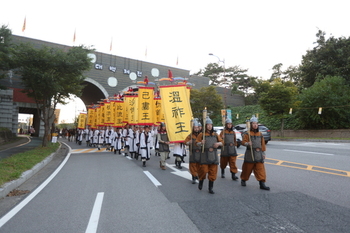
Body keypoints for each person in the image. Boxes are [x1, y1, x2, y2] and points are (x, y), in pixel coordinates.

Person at [240, 115, 270, 191]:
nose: (255, 125)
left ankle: (262, 183)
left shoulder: (260, 134)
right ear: (251, 124)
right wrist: (247, 143)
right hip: (250, 153)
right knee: (247, 169)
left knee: (260, 169)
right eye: (253, 123)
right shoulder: (247, 133)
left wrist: (263, 153)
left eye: (256, 123)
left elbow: (262, 144)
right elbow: (243, 142)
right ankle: (243, 179)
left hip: (258, 154)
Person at [196, 116, 223, 194]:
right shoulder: (201, 134)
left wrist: (218, 143)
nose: (209, 126)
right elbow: (196, 143)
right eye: (208, 125)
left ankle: (210, 188)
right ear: (205, 126)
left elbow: (222, 142)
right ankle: (201, 180)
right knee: (203, 171)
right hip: (205, 155)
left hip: (213, 155)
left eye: (210, 124)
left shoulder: (215, 134)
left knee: (213, 172)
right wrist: (201, 143)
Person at [184, 118, 201, 184]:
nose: (196, 129)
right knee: (192, 165)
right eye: (195, 128)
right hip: (193, 152)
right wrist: (189, 142)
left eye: (197, 128)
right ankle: (193, 177)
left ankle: (197, 175)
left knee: (199, 165)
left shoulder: (201, 135)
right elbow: (185, 142)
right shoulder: (190, 136)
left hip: (199, 152)